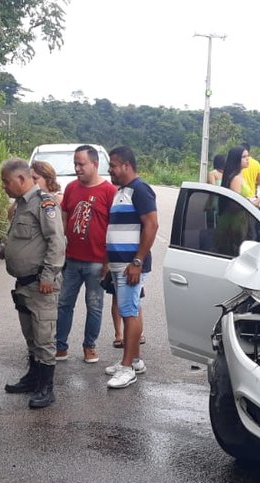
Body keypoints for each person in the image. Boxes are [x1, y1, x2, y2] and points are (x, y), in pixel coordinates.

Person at [0, 159, 67, 408]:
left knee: (44, 337)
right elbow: (19, 239)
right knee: (31, 336)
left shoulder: (45, 204)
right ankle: (33, 378)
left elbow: (57, 243)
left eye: (6, 181)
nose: (4, 186)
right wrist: (1, 250)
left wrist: (48, 276)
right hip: (23, 284)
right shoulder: (20, 206)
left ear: (22, 180)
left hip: (40, 284)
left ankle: (46, 388)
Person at [55, 145, 116, 364]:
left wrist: (108, 261)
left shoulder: (109, 191)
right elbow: (64, 217)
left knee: (94, 306)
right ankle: (60, 346)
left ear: (95, 164)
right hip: (71, 260)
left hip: (96, 262)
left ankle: (89, 346)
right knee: (63, 304)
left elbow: (113, 229)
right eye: (75, 164)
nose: (77, 168)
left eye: (81, 164)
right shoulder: (71, 188)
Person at [103, 145, 157, 389]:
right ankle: (134, 360)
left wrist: (137, 261)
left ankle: (127, 369)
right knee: (129, 309)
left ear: (126, 165)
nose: (110, 170)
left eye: (113, 165)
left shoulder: (140, 190)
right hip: (118, 265)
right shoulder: (121, 191)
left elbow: (152, 225)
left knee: (129, 312)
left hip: (129, 266)